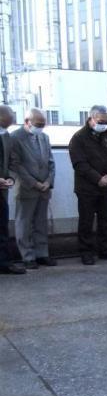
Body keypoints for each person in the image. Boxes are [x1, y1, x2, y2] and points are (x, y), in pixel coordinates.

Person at [69, 104, 107, 265]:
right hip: (87, 187)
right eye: (101, 121)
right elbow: (79, 164)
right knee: (86, 220)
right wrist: (97, 178)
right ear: (90, 119)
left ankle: (105, 249)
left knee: (106, 219)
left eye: (106, 121)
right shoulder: (78, 138)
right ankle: (86, 251)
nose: (103, 124)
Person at [8, 108, 57, 269]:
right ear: (27, 122)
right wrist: (35, 183)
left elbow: (51, 162)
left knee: (41, 222)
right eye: (38, 124)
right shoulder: (15, 137)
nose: (41, 127)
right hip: (27, 188)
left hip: (44, 188)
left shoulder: (44, 137)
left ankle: (42, 253)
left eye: (43, 124)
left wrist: (48, 181)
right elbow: (17, 165)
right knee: (24, 222)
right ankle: (27, 256)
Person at [0, 105, 26, 274]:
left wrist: (10, 178)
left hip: (2, 190)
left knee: (2, 227)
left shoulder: (6, 136)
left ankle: (3, 262)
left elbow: (13, 161)